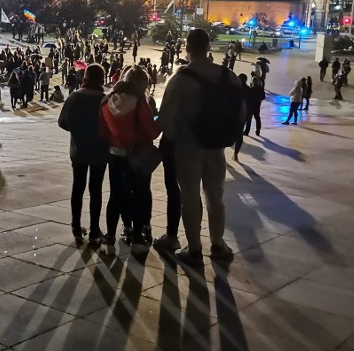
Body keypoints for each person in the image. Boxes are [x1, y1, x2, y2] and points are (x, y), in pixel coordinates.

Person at [158, 29, 243, 264]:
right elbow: (241, 115)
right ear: (208, 47)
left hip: (188, 148)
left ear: (187, 47)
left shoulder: (181, 79)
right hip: (216, 148)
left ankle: (194, 249)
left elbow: (165, 120)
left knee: (190, 196)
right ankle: (218, 244)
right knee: (216, 197)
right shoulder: (228, 76)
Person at [98, 66, 161, 255]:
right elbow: (152, 131)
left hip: (116, 155)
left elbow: (101, 131)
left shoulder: (108, 99)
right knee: (140, 193)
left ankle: (109, 239)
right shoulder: (140, 102)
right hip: (137, 155)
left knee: (116, 195)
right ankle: (138, 238)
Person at [58, 64, 110, 247]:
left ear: (85, 78)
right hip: (100, 151)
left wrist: (78, 130)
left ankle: (76, 226)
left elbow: (62, 122)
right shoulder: (106, 100)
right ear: (102, 80)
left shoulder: (75, 97)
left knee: (77, 187)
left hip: (78, 150)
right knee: (96, 190)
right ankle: (95, 229)